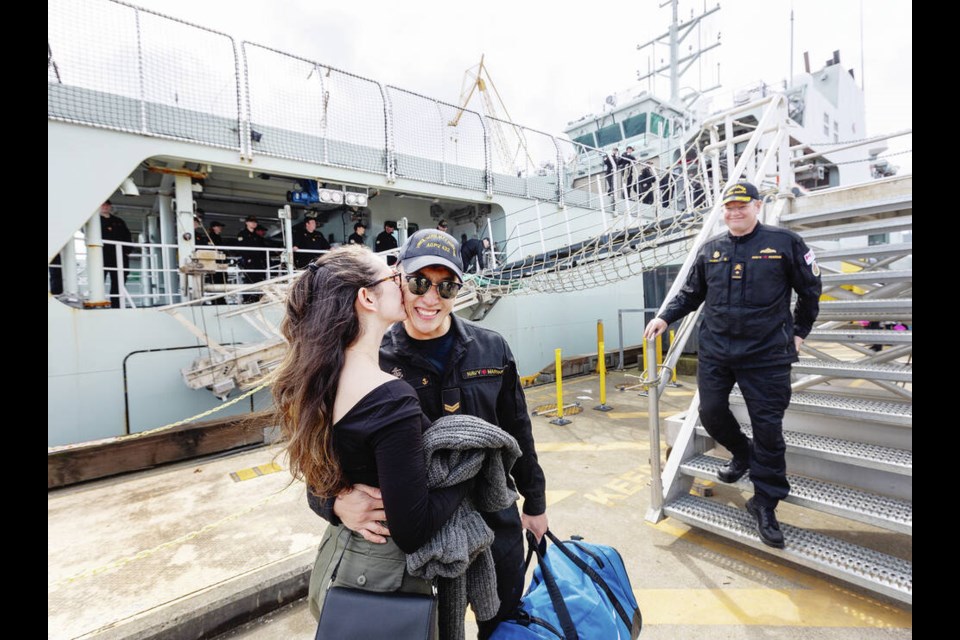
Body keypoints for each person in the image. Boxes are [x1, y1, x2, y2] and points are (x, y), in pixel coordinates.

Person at [309, 229, 548, 638]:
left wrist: (536, 502)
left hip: (493, 520)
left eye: (446, 285)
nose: (431, 298)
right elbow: (319, 455)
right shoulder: (370, 361)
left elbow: (518, 433)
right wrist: (332, 504)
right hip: (415, 547)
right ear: (398, 278)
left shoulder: (491, 348)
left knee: (502, 620)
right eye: (420, 282)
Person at [273, 245, 474, 635]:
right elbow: (412, 530)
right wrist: (470, 470)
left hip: (337, 559)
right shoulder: (389, 395)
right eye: (390, 275)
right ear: (367, 297)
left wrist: (334, 502)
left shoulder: (319, 377)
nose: (400, 280)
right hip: (384, 577)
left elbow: (322, 467)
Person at [642, 181, 821, 549]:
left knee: (768, 428)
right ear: (723, 211)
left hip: (767, 354)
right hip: (718, 351)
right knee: (711, 412)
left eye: (742, 205)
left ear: (757, 206)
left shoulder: (786, 243)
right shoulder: (712, 249)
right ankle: (742, 453)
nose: (735, 212)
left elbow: (810, 290)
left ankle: (765, 500)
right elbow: (691, 293)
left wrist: (800, 331)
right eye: (729, 207)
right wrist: (665, 317)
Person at [99, 200, 133, 308]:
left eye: (107, 205)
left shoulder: (118, 221)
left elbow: (127, 236)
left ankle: (116, 305)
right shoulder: (94, 222)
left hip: (119, 256)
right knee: (99, 280)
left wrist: (127, 251)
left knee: (119, 281)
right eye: (103, 205)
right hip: (101, 256)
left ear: (110, 206)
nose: (105, 207)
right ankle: (98, 302)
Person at [235, 215, 267, 302]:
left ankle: (258, 299)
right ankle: (248, 299)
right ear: (247, 223)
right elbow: (241, 248)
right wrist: (247, 259)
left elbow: (262, 249)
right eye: (251, 222)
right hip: (248, 262)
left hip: (258, 262)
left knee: (259, 280)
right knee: (249, 280)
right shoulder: (242, 235)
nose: (254, 223)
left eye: (255, 222)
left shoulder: (257, 236)